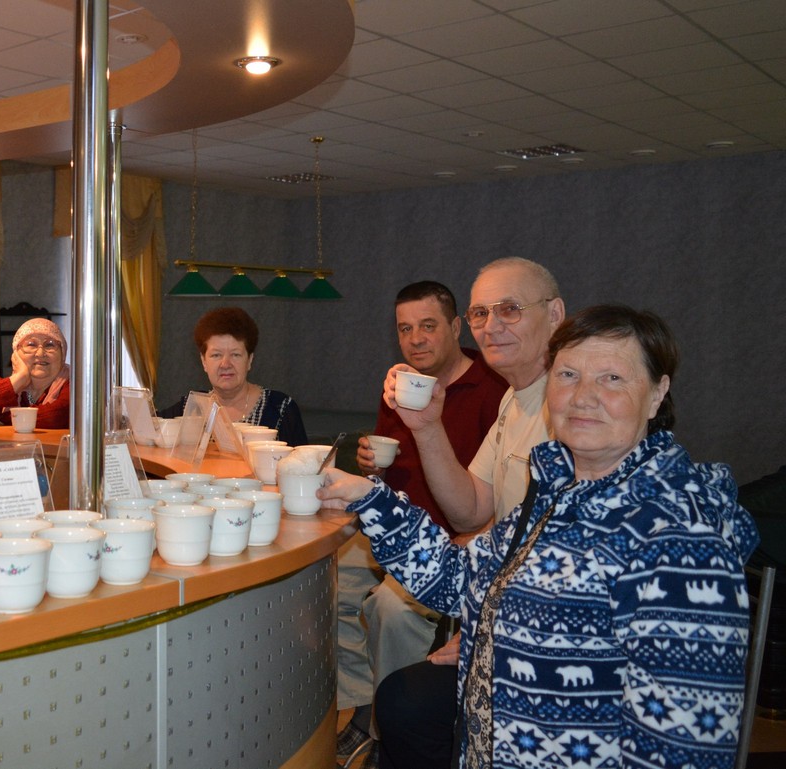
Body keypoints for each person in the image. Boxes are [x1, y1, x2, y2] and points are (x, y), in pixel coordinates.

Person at [322, 305, 758, 768]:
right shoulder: (560, 493)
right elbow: (458, 580)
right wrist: (369, 498)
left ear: (657, 394)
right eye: (568, 374)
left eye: (612, 378)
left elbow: (683, 752)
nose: (583, 396)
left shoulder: (681, 542)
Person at [363, 256, 566, 768]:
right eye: (481, 313)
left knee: (404, 702)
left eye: (510, 309)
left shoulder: (570, 406)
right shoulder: (516, 399)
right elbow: (471, 510)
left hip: (543, 642)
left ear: (555, 314)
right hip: (494, 603)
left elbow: (561, 555)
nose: (491, 326)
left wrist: (488, 630)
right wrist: (427, 426)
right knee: (399, 698)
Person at [335, 281, 508, 760]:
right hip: (392, 531)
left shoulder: (496, 389)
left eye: (428, 326)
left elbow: (492, 501)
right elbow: (393, 467)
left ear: (455, 327)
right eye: (405, 329)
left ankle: (391, 732)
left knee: (388, 609)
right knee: (329, 581)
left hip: (451, 544)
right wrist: (373, 467)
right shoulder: (401, 386)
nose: (415, 339)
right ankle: (363, 705)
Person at [159, 306, 308, 446]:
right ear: (204, 361)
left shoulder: (281, 409)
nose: (225, 364)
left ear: (249, 360)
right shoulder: (190, 408)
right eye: (216, 355)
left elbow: (304, 462)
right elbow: (149, 428)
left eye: (235, 355)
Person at [0, 318, 71, 429]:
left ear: (63, 353)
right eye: (31, 344)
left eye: (50, 345)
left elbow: (55, 416)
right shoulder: (7, 385)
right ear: (16, 354)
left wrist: (8, 416)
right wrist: (20, 379)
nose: (40, 353)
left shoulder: (74, 386)